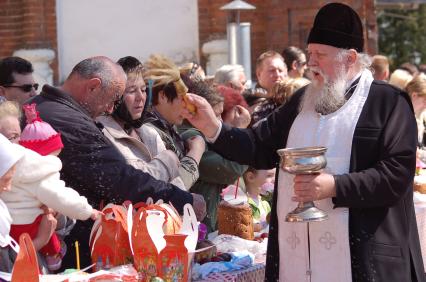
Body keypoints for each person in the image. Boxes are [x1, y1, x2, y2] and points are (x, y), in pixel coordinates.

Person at [182, 3, 424, 281]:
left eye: (320, 54)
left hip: (364, 262)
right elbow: (259, 147)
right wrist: (213, 127)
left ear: (350, 58)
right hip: (300, 262)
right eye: (310, 54)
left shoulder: (388, 103)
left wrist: (334, 186)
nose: (311, 63)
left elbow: (396, 175)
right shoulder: (302, 101)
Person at [27, 56, 206, 269]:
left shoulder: (49, 108)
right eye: (113, 99)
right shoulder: (66, 119)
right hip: (66, 250)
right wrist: (181, 199)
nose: (111, 109)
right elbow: (118, 178)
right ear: (93, 86)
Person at [1, 103, 101, 272]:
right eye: (9, 139)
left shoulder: (30, 171)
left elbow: (61, 211)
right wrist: (41, 239)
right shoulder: (30, 171)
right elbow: (8, 267)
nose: (16, 145)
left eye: (18, 136)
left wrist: (55, 216)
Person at [97, 56, 186, 190]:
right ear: (117, 95)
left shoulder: (149, 133)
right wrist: (168, 159)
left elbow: (176, 186)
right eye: (132, 91)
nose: (140, 97)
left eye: (143, 90)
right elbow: (133, 185)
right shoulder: (103, 133)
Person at [179, 79, 248, 232]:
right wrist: (241, 132)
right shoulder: (190, 136)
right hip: (201, 230)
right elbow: (231, 169)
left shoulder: (205, 135)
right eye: (216, 115)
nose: (220, 122)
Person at [143, 54, 206, 189]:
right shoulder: (149, 132)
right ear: (163, 96)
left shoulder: (167, 126)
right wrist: (196, 151)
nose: (186, 104)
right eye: (181, 98)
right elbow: (173, 189)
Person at [243, 167, 273, 233]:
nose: (274, 180)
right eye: (269, 175)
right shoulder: (242, 203)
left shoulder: (265, 203)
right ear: (251, 177)